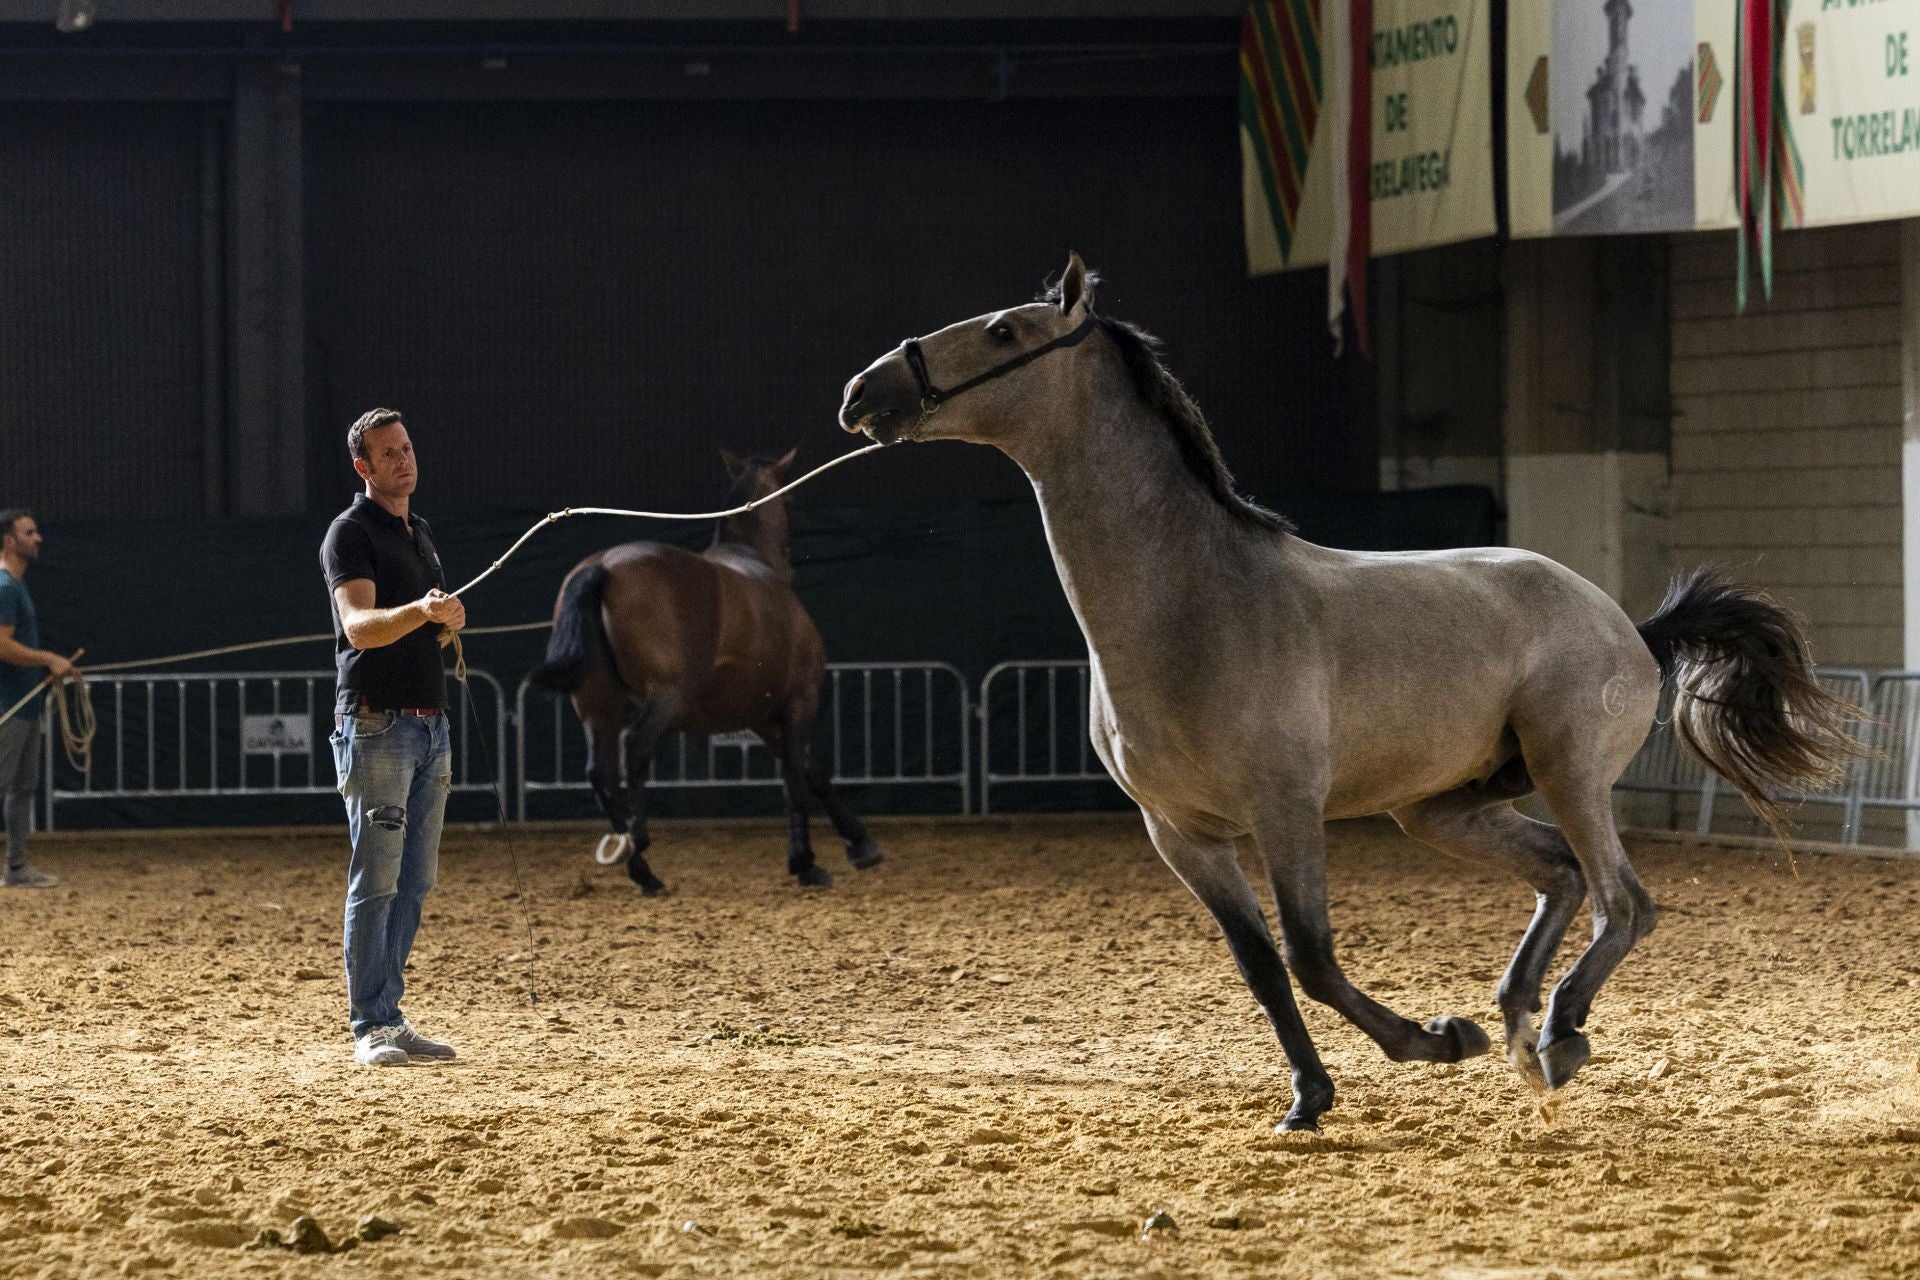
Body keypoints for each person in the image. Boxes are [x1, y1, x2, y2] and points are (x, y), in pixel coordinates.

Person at [319, 410, 466, 1066]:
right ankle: (369, 1026)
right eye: (388, 452)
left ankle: (391, 1013)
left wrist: (446, 620)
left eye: (407, 447)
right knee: (375, 881)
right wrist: (421, 611)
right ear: (365, 467)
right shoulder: (349, 534)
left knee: (415, 880)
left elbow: (417, 625)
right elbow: (359, 626)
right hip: (378, 724)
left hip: (430, 723)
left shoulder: (422, 533)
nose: (403, 459)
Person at [0, 510, 75, 890]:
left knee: (22, 788)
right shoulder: (5, 587)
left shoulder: (16, 585)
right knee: (7, 785)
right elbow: (2, 646)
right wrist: (48, 658)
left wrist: (41, 669)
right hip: (7, 704)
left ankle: (16, 868)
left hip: (23, 700)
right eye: (30, 532)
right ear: (10, 541)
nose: (39, 538)